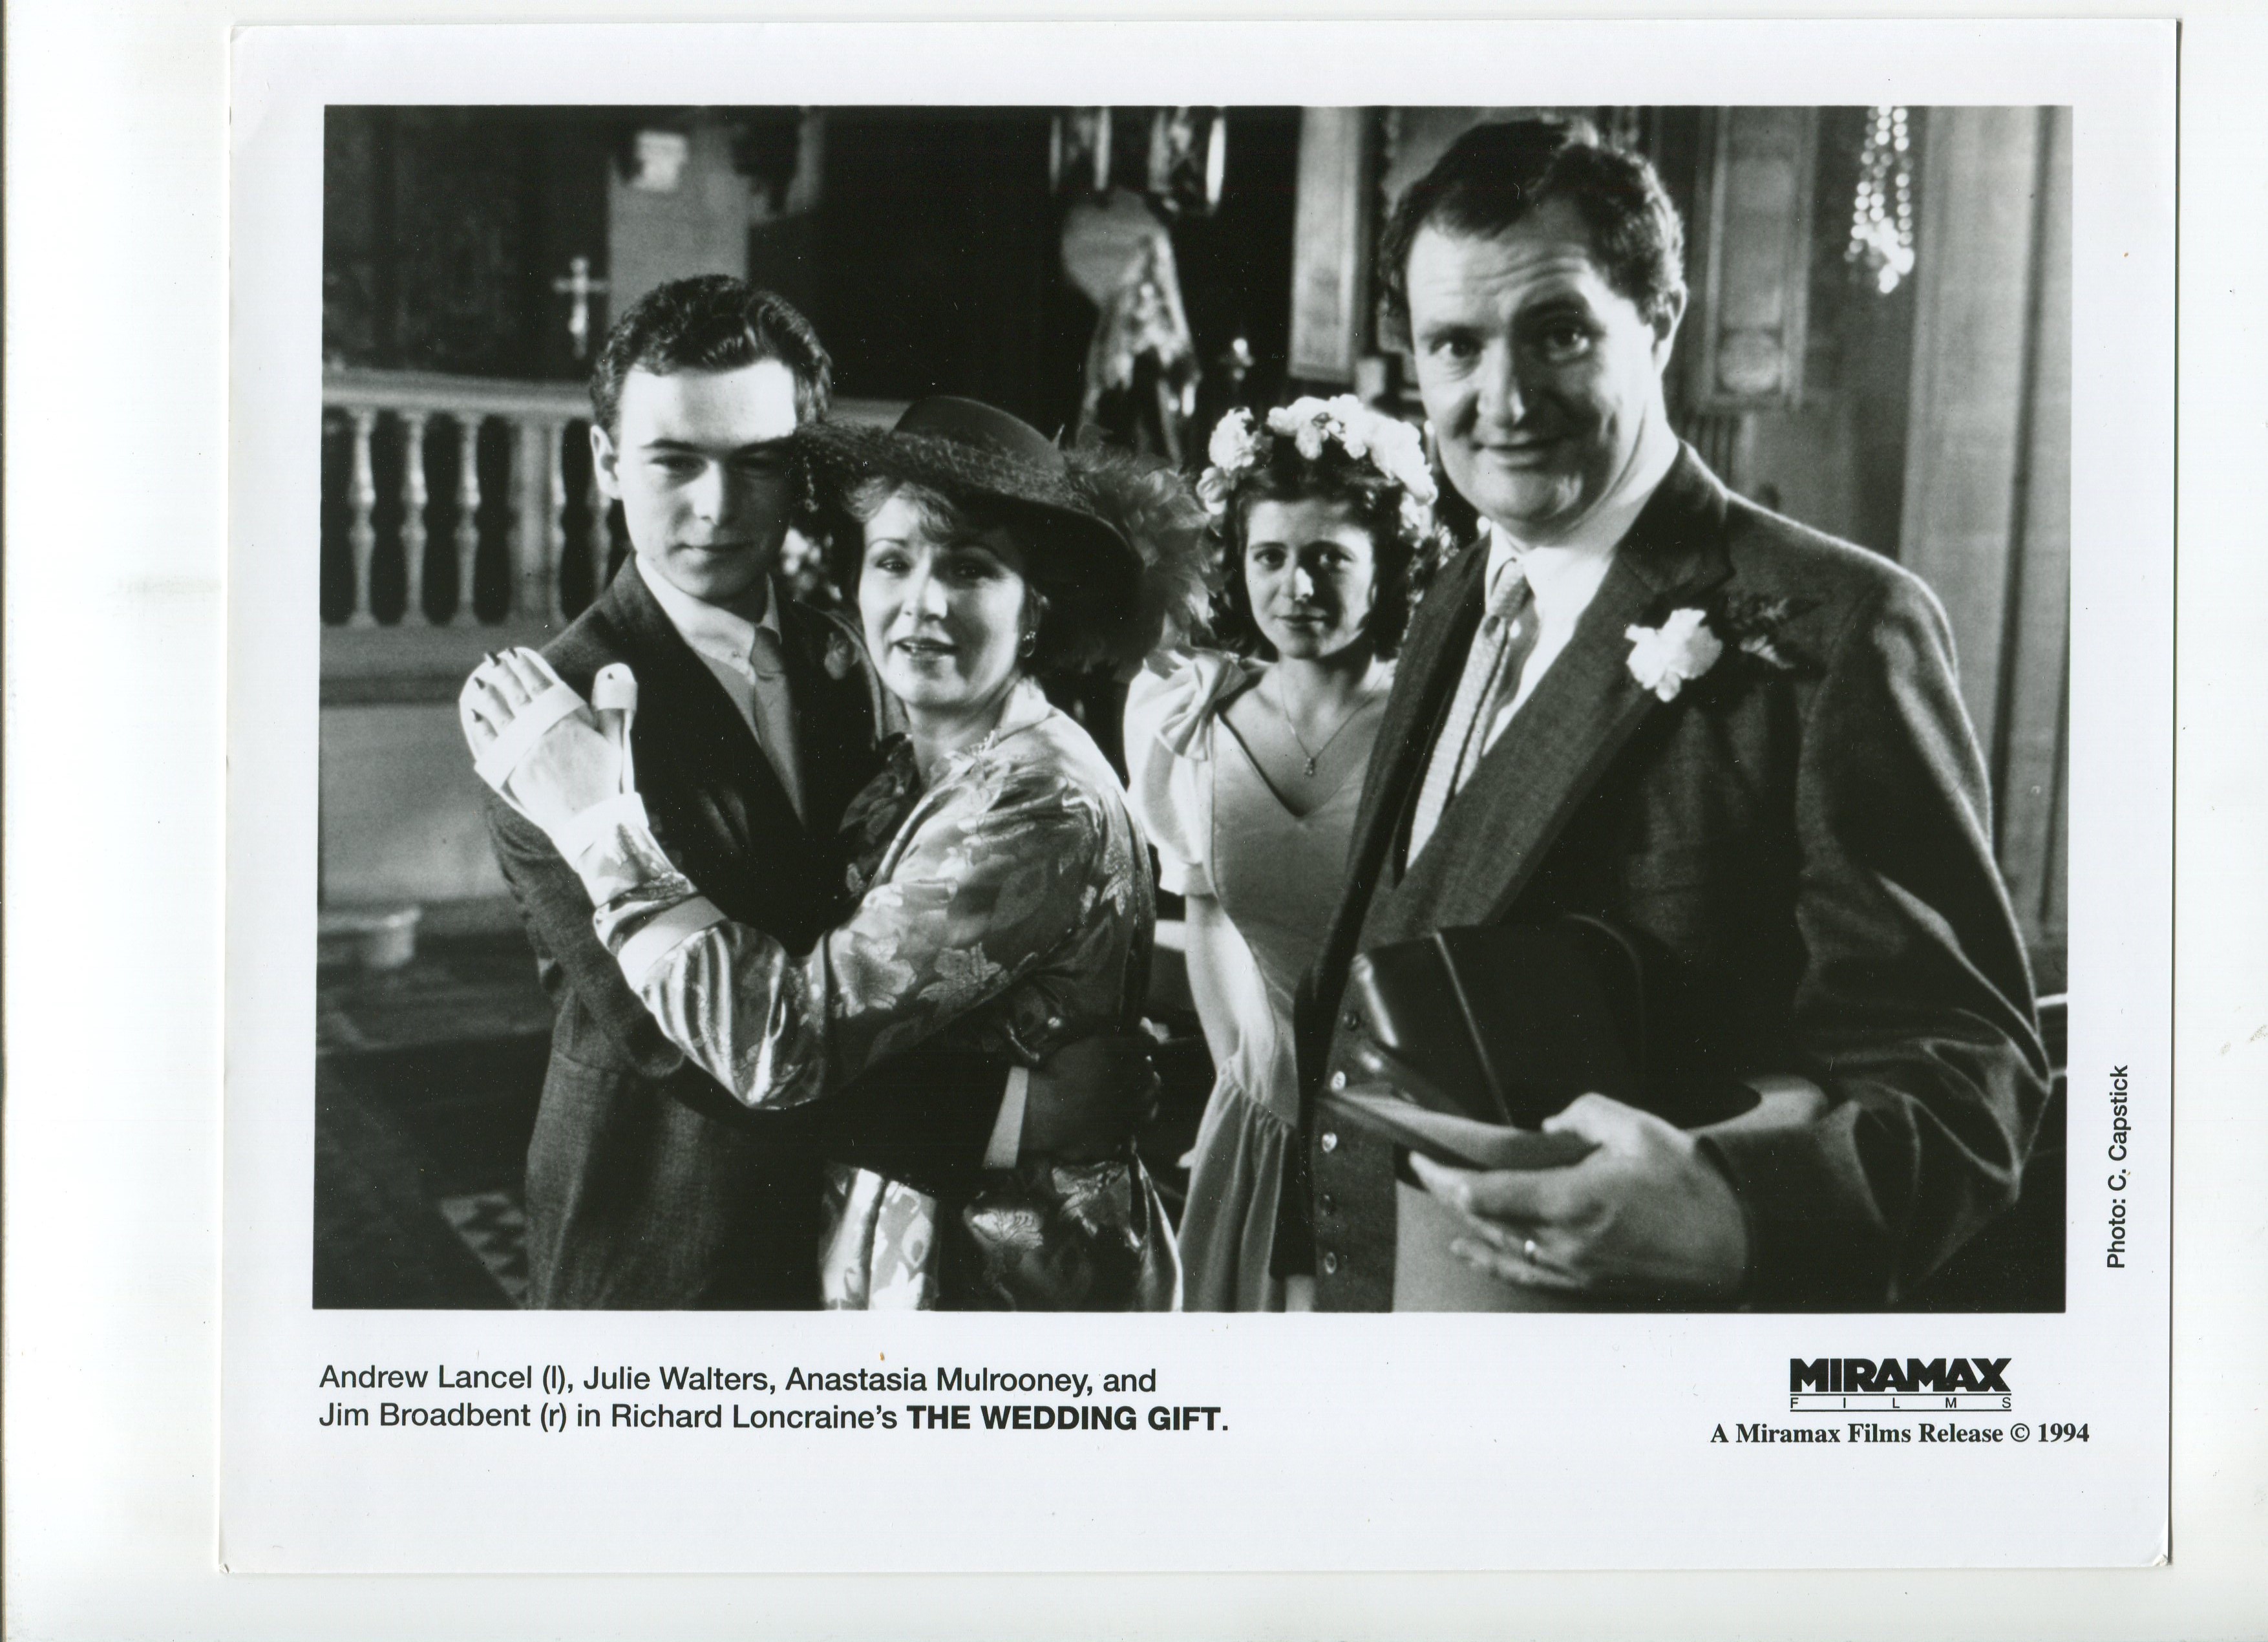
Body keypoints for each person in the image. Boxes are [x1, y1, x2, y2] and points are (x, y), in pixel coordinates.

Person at [1284, 119, 2050, 1310]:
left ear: (1661, 322)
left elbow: (1965, 1084)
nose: (1502, 400)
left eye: (1558, 333)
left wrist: (1733, 1213)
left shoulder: (1839, 625)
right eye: (1456, 345)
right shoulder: (1456, 594)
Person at [483, 279, 1152, 1309]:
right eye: (674, 461)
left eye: (757, 462)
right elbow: (681, 1048)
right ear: (608, 462)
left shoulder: (855, 659)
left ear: (799, 476)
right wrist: (1018, 1112)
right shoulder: (551, 725)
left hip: (866, 1251)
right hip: (665, 1246)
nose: (717, 506)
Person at [1124, 396, 1436, 1310]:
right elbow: (1208, 913)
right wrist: (1247, 1096)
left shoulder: (1429, 721)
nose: (1296, 586)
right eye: (1270, 557)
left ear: (1387, 568)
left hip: (1398, 1127)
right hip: (1256, 1120)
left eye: (1329, 558)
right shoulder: (1191, 715)